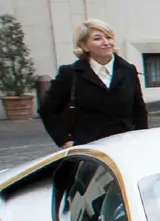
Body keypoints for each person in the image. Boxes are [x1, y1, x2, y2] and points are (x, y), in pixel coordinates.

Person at [39, 20, 148, 149]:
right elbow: (48, 110)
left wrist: (142, 139)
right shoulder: (70, 73)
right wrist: (65, 141)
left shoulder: (128, 70)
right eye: (97, 39)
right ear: (84, 45)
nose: (106, 43)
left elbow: (139, 110)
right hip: (89, 148)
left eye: (108, 37)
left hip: (125, 145)